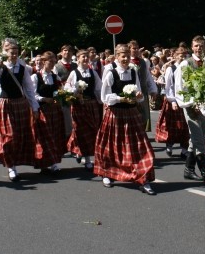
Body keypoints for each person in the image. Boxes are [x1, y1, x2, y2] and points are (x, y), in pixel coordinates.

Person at [94, 44, 156, 195]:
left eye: (127, 56)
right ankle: (107, 173)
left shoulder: (133, 72)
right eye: (122, 56)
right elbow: (104, 97)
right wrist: (121, 99)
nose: (125, 58)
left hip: (131, 113)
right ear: (117, 57)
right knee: (112, 147)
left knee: (141, 147)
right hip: (116, 114)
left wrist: (139, 97)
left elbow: (139, 93)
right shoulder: (111, 73)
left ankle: (143, 179)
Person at [0, 38, 39, 182]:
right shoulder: (0, 66)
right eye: (11, 52)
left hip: (20, 104)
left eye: (16, 52)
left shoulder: (23, 68)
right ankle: (11, 166)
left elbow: (29, 89)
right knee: (10, 135)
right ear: (6, 53)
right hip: (6, 103)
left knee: (20, 135)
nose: (14, 55)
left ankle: (15, 163)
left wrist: (34, 107)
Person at [174, 36, 205, 185]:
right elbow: (180, 89)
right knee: (199, 141)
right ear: (192, 47)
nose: (198, 48)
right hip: (191, 107)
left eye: (201, 46)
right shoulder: (185, 64)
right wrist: (190, 104)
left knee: (195, 139)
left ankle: (189, 169)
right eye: (196, 46)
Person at [65, 49, 104, 171]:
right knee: (80, 131)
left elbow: (99, 89)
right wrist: (76, 92)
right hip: (79, 106)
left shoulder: (93, 73)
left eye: (87, 57)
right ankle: (82, 154)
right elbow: (67, 87)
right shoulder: (74, 73)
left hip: (91, 105)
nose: (86, 59)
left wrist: (102, 102)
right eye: (83, 57)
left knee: (92, 131)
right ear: (78, 59)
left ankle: (86, 157)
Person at [31, 52, 67, 174]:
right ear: (43, 61)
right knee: (44, 137)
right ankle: (43, 163)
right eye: (50, 61)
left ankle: (54, 163)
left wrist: (60, 98)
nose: (52, 64)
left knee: (55, 136)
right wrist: (44, 99)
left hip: (54, 110)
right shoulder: (36, 77)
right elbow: (32, 95)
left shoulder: (55, 77)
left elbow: (60, 91)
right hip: (43, 110)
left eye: (53, 62)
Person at [154, 47, 190, 158]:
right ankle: (169, 146)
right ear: (175, 55)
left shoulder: (188, 67)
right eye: (180, 54)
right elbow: (168, 86)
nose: (182, 56)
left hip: (186, 100)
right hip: (173, 100)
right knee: (172, 126)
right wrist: (173, 100)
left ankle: (184, 150)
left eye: (184, 54)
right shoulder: (171, 69)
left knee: (186, 127)